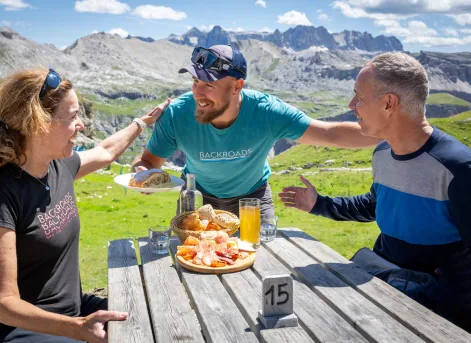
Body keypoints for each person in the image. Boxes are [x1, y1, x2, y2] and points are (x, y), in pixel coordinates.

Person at [0, 68, 170, 342]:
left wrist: (142, 122)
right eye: (72, 117)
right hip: (14, 331)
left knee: (153, 316)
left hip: (72, 312)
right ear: (38, 124)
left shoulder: (58, 166)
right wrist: (78, 328)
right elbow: (5, 304)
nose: (81, 124)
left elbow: (106, 151)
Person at [279, 52, 471, 332]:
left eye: (359, 97)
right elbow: (374, 205)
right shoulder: (382, 152)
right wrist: (319, 204)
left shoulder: (458, 167)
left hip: (435, 310)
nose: (351, 105)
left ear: (389, 103)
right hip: (384, 283)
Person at [131, 45, 380, 217]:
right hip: (197, 198)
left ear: (237, 86)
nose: (198, 93)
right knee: (194, 265)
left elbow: (329, 134)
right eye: (195, 82)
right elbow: (147, 162)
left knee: (260, 266)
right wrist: (141, 175)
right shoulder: (176, 114)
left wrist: (392, 132)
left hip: (254, 200)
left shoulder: (267, 111)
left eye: (208, 84)